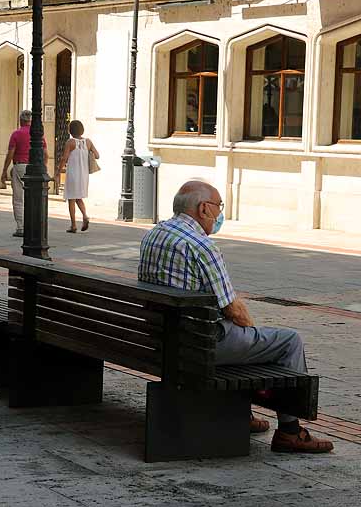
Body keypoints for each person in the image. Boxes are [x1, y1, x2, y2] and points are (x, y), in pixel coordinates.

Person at [138, 180, 333, 453]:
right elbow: (233, 309)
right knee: (288, 341)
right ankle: (290, 431)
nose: (220, 214)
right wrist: (252, 334)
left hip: (158, 339)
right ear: (204, 208)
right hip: (198, 347)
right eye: (219, 207)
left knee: (238, 335)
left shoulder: (154, 235)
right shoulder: (202, 246)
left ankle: (242, 412)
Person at [1, 110, 46, 238]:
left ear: (21, 120)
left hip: (20, 166)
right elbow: (46, 153)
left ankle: (21, 227)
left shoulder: (16, 134)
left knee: (18, 199)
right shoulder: (38, 134)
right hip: (35, 167)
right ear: (31, 121)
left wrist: (4, 170)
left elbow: (10, 153)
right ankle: (35, 226)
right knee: (34, 198)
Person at [58, 119, 98, 233]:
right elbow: (97, 155)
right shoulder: (88, 142)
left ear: (70, 130)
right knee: (78, 197)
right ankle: (85, 215)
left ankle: (73, 225)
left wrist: (58, 171)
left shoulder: (70, 142)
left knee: (71, 198)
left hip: (73, 174)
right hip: (83, 174)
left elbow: (64, 158)